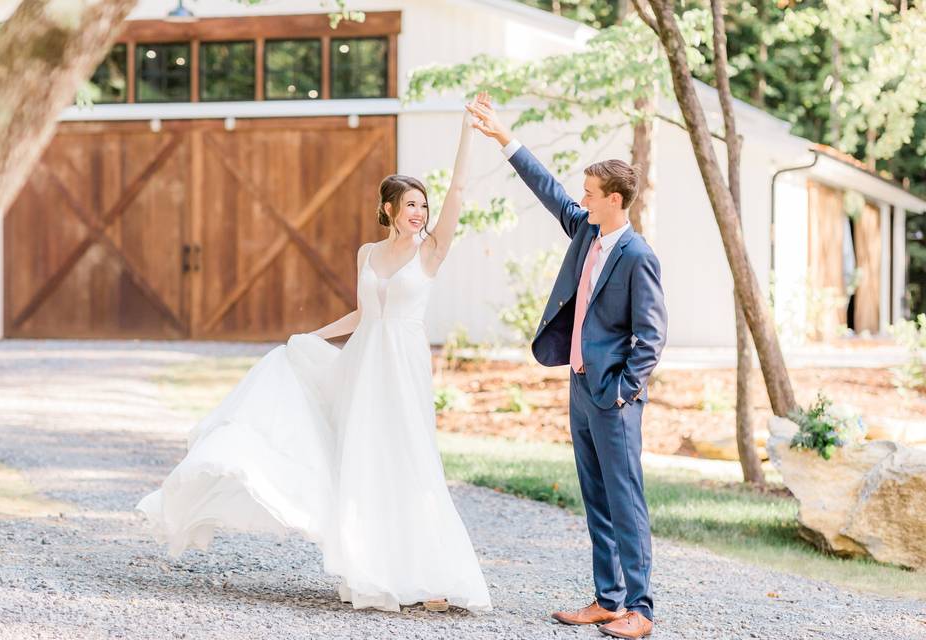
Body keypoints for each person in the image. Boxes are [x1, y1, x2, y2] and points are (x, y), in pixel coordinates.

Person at [136, 98, 491, 614]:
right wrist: (312, 338)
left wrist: (467, 130)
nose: (420, 213)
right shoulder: (367, 255)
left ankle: (431, 574)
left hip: (405, 371)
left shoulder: (431, 252)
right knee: (362, 462)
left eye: (424, 205)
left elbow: (459, 189)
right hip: (364, 365)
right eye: (410, 204)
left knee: (410, 462)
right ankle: (370, 568)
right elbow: (362, 314)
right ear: (389, 209)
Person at [466, 93, 667, 639]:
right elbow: (547, 188)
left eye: (591, 194)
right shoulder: (586, 231)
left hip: (613, 396)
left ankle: (641, 611)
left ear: (616, 201)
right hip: (580, 387)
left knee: (626, 501)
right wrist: (504, 137)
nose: (581, 198)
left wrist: (624, 390)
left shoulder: (638, 256)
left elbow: (651, 336)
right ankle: (608, 600)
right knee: (596, 498)